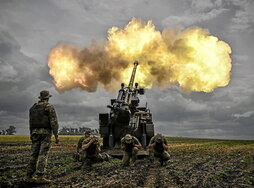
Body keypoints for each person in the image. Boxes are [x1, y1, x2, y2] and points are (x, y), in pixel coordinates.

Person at [26, 90, 59, 183]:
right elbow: (54, 122)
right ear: (47, 98)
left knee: (33, 154)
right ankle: (40, 176)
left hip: (34, 133)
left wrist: (31, 134)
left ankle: (29, 176)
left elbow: (30, 123)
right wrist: (56, 135)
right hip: (45, 133)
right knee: (43, 154)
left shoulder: (32, 108)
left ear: (40, 98)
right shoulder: (49, 107)